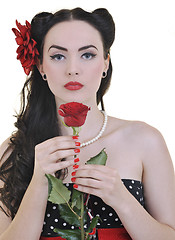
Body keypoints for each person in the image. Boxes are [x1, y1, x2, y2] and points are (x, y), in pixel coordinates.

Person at [0, 7, 175, 240]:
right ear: (41, 66)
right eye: (58, 56)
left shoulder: (145, 140)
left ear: (105, 63)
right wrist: (40, 183)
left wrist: (122, 199)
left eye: (87, 55)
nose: (73, 69)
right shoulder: (14, 151)